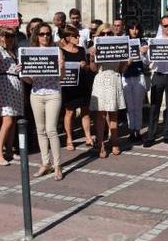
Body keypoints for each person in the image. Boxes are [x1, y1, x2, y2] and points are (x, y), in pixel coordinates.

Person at [21, 22, 64, 180]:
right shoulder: (30, 52)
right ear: (36, 36)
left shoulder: (56, 51)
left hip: (53, 93)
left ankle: (57, 165)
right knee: (40, 130)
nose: (45, 36)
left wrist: (62, 67)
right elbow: (29, 80)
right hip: (36, 94)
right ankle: (45, 163)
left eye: (47, 34)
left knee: (51, 129)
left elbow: (61, 77)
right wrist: (22, 72)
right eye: (42, 34)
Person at [89, 25, 127, 158]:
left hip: (114, 79)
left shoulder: (119, 46)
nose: (106, 36)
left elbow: (122, 69)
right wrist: (92, 57)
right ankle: (101, 143)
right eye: (103, 33)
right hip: (101, 80)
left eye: (109, 33)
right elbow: (93, 69)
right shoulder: (95, 47)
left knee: (113, 115)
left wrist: (127, 62)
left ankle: (115, 141)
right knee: (100, 116)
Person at [143, 16, 168, 147]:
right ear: (161, 26)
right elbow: (147, 62)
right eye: (166, 26)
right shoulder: (154, 41)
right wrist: (144, 53)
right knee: (154, 107)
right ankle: (151, 136)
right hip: (158, 75)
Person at [60, 25, 95, 150]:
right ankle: (69, 138)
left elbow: (87, 68)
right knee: (69, 112)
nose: (78, 38)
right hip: (68, 85)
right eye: (75, 36)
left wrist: (84, 65)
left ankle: (88, 136)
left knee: (85, 111)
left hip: (82, 83)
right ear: (68, 37)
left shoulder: (81, 50)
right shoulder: (61, 51)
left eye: (78, 35)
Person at [0, 26, 24, 165]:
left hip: (17, 86)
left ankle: (9, 151)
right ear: (0, 36)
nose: (9, 38)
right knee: (7, 121)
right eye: (6, 35)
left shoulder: (14, 51)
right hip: (6, 84)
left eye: (12, 35)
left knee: (13, 121)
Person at [122, 20, 147, 143]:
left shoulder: (143, 42)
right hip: (126, 76)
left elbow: (147, 62)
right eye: (132, 28)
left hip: (138, 75)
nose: (134, 31)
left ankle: (138, 130)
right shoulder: (123, 42)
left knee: (138, 106)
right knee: (130, 106)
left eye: (136, 28)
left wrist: (144, 53)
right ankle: (131, 129)